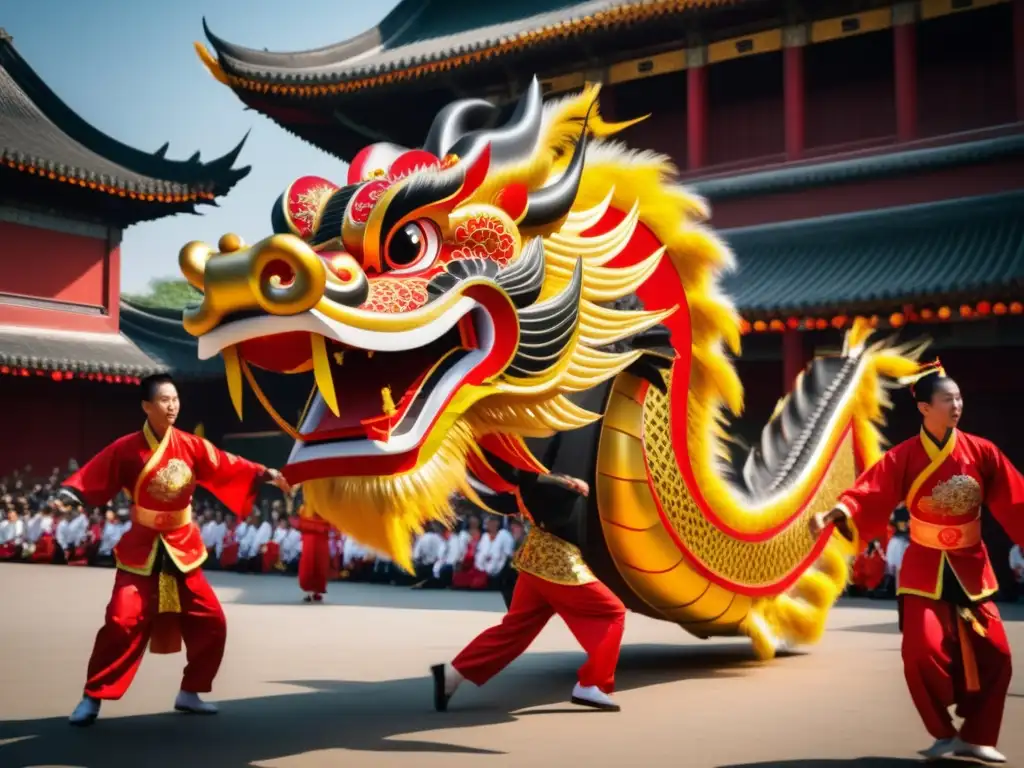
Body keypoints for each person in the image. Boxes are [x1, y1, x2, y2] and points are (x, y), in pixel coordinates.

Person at [810, 360, 1024, 763]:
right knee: (921, 652)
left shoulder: (982, 452)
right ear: (925, 408)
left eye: (959, 398)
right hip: (924, 565)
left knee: (997, 652)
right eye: (947, 399)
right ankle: (943, 732)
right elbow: (869, 491)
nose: (957, 405)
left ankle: (978, 735)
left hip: (971, 565)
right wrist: (836, 513)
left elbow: (1016, 499)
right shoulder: (905, 456)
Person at [62, 373, 290, 726]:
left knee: (212, 621)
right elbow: (95, 473)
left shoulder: (191, 445)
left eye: (176, 399)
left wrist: (264, 473)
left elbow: (226, 463)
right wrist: (71, 493)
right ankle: (93, 696)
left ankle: (191, 692)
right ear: (146, 406)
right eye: (165, 400)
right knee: (122, 622)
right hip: (142, 548)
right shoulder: (126, 448)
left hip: (182, 547)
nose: (173, 406)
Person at [433, 473, 626, 713]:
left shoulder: (536, 481)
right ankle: (593, 683)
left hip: (536, 561)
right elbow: (522, 478)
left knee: (516, 629)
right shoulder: (535, 478)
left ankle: (453, 675)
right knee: (612, 611)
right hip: (556, 561)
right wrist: (564, 482)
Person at [296, 502, 331, 601]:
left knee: (320, 564)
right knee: (309, 563)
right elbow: (301, 524)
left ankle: (316, 591)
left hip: (319, 539)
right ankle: (310, 591)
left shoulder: (324, 509)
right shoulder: (304, 509)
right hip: (310, 539)